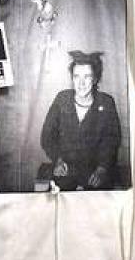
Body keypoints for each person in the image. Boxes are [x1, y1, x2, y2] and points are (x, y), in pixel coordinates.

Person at [40, 51, 121, 190]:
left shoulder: (106, 102)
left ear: (95, 79)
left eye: (87, 77)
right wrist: (58, 160)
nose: (81, 83)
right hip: (65, 170)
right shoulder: (62, 99)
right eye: (76, 76)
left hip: (96, 172)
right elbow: (47, 137)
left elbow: (112, 141)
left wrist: (102, 169)